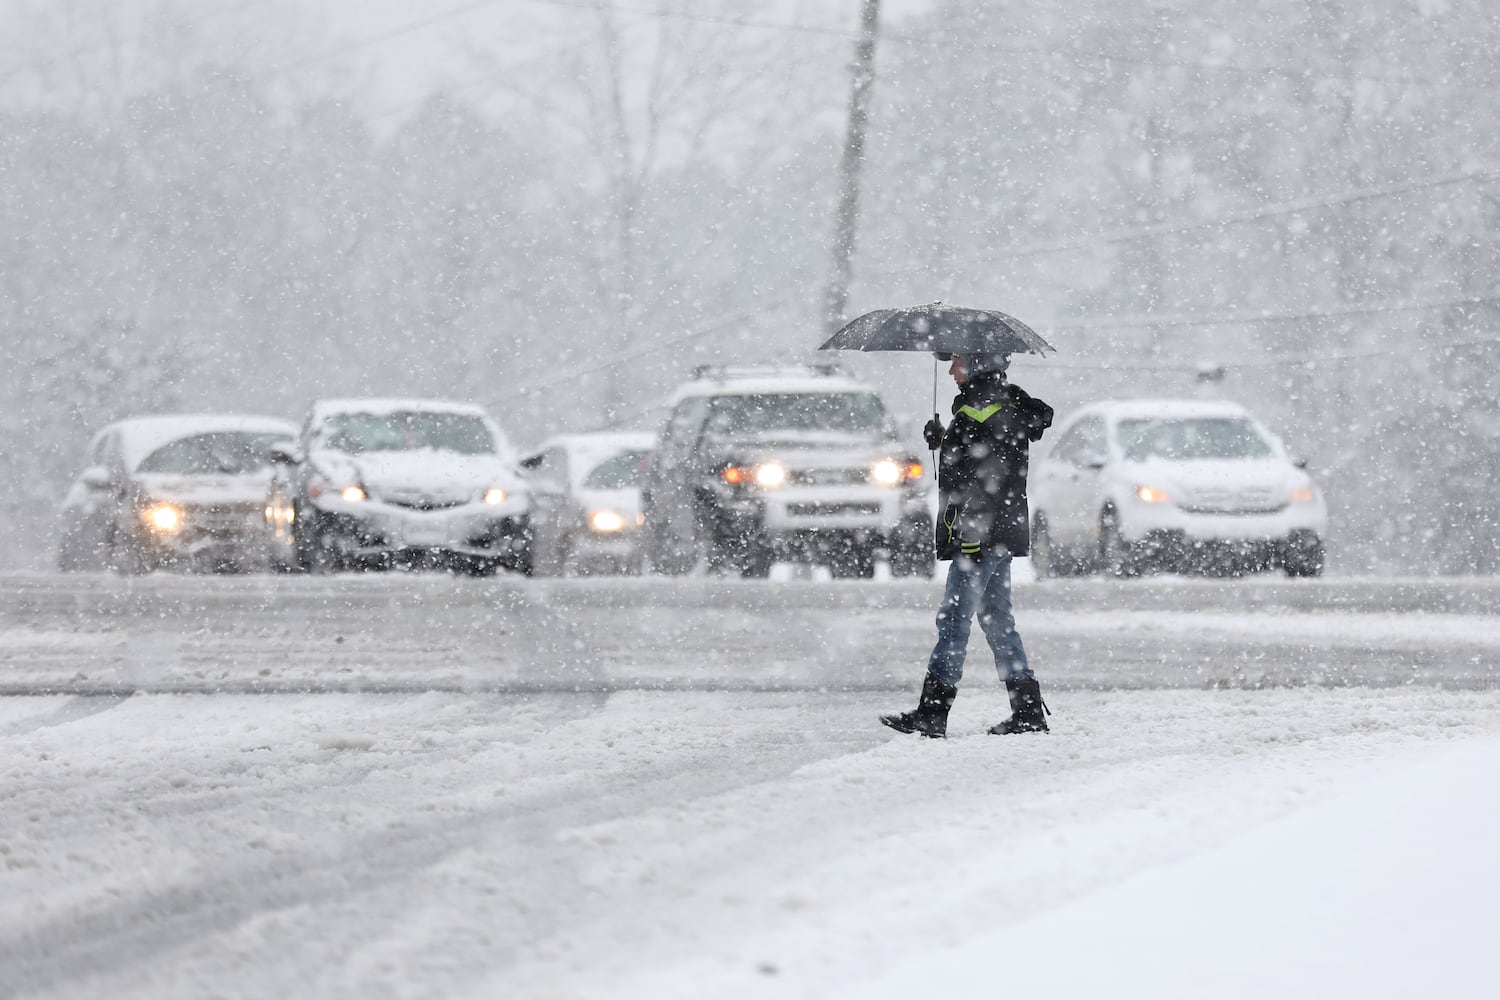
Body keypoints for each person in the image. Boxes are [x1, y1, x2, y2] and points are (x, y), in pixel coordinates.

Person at [880, 351, 1053, 738]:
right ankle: (1027, 711)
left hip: (980, 536)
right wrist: (944, 440)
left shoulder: (982, 412)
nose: (950, 369)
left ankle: (932, 712)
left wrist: (971, 536)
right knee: (997, 621)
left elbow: (984, 476)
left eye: (956, 362)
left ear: (975, 365)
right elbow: (982, 465)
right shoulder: (993, 408)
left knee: (954, 620)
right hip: (997, 533)